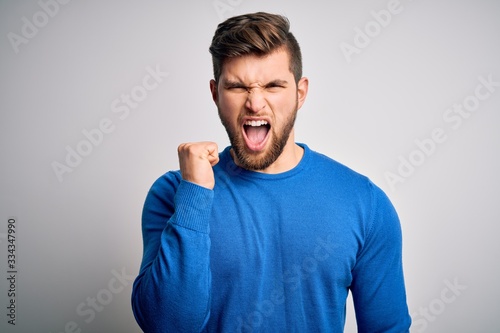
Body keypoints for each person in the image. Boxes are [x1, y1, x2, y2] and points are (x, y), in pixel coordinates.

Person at [131, 12, 411, 332]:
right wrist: (194, 194)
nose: (255, 103)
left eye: (273, 85)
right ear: (215, 94)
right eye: (237, 87)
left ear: (300, 93)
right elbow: (166, 325)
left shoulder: (365, 203)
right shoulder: (174, 192)